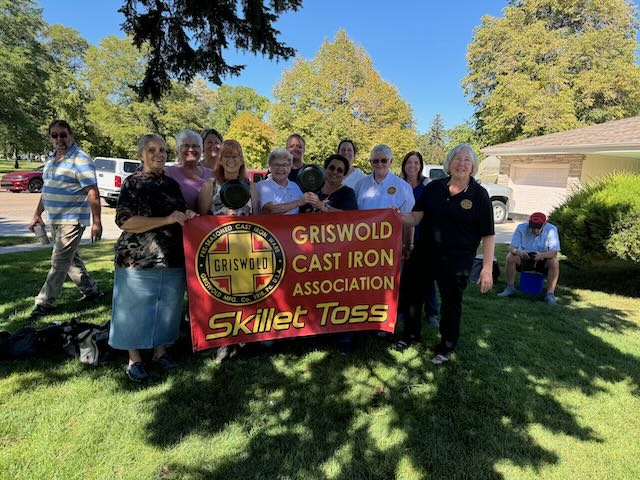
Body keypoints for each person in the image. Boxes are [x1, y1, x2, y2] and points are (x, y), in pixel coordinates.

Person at [108, 134, 198, 382]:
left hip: (172, 257)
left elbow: (178, 213)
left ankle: (161, 353)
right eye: (152, 150)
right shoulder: (133, 183)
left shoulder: (171, 184)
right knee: (133, 310)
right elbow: (125, 221)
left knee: (167, 309)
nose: (158, 154)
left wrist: (186, 214)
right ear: (141, 155)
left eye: (162, 150)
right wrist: (167, 220)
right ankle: (134, 360)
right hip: (137, 258)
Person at [396, 144, 495, 364]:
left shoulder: (479, 195)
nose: (461, 164)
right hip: (424, 253)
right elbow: (416, 218)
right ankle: (410, 336)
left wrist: (487, 268)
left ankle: (446, 346)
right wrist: (396, 216)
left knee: (451, 303)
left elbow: (488, 235)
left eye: (466, 160)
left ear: (473, 167)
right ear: (449, 163)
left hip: (457, 260)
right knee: (413, 296)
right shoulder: (434, 188)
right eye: (457, 159)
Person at [28, 120, 103, 318]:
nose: (59, 139)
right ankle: (92, 291)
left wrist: (97, 222)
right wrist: (37, 214)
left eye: (63, 135)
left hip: (72, 218)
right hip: (55, 218)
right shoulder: (52, 159)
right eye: (54, 135)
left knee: (58, 261)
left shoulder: (81, 159)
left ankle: (44, 303)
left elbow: (93, 192)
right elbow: (46, 190)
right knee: (70, 260)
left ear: (71, 135)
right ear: (50, 138)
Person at [401, 150, 439, 327]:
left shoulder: (428, 186)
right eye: (409, 162)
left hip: (423, 236)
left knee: (427, 276)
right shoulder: (398, 185)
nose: (412, 166)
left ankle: (432, 312)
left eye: (416, 163)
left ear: (421, 166)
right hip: (401, 236)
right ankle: (402, 309)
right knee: (404, 276)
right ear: (404, 165)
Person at [497, 212, 560, 305]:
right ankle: (510, 288)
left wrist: (541, 255)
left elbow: (554, 253)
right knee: (510, 257)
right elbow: (511, 248)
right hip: (524, 258)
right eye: (533, 227)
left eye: (538, 227)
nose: (535, 230)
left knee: (554, 262)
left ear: (545, 224)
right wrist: (519, 252)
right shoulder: (521, 228)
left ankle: (550, 294)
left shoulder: (551, 229)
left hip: (542, 260)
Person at [198, 139, 258, 216]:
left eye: (234, 156)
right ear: (220, 161)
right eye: (226, 156)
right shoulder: (209, 186)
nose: (231, 160)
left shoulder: (251, 187)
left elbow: (256, 218)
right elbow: (200, 219)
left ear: (241, 160)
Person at [353, 144, 414, 213]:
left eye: (384, 160)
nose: (379, 164)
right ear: (371, 162)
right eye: (375, 161)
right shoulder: (360, 185)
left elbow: (407, 218)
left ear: (391, 162)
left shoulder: (404, 187)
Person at [257, 147, 320, 214]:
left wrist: (317, 203)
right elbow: (271, 210)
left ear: (290, 167)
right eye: (276, 165)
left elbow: (306, 204)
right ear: (269, 167)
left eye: (285, 165)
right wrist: (299, 202)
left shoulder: (294, 186)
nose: (280, 168)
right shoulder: (262, 186)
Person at [165, 129, 213, 211]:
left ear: (201, 149)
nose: (190, 149)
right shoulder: (167, 173)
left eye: (195, 146)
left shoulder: (211, 174)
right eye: (186, 145)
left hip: (207, 223)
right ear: (178, 149)